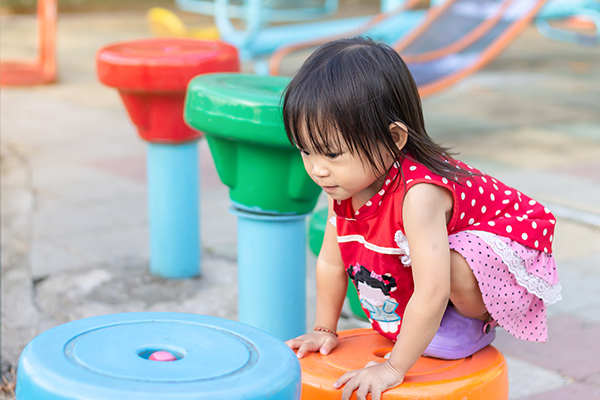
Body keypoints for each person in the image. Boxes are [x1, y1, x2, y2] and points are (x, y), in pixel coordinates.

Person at [282, 37, 561, 400]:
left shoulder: (419, 195)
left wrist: (393, 368)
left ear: (394, 137)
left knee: (452, 269)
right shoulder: (345, 183)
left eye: (333, 153)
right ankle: (441, 316)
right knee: (417, 258)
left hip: (507, 244)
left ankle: (469, 322)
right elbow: (331, 262)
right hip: (452, 249)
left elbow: (432, 288)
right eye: (306, 150)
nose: (317, 169)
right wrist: (325, 329)